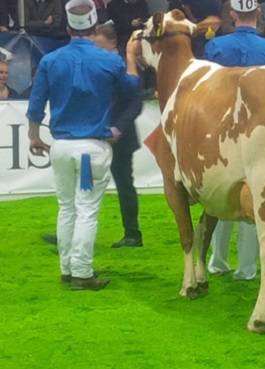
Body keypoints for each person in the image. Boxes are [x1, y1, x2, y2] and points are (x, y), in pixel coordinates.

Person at [27, 0, 140, 290]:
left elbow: (36, 104)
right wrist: (128, 57)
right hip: (92, 145)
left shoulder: (50, 61)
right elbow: (131, 89)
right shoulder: (109, 60)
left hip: (61, 145)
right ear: (93, 26)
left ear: (67, 27)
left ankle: (67, 268)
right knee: (87, 210)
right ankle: (81, 271)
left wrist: (33, 136)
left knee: (66, 208)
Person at [203, 0, 265, 280]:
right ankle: (247, 268)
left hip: (222, 131)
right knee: (254, 197)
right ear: (258, 13)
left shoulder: (215, 47)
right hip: (260, 134)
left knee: (220, 195)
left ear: (233, 14)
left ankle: (218, 260)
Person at [94, 22, 144, 249]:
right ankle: (73, 230)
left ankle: (133, 234)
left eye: (99, 45)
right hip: (95, 133)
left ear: (113, 43)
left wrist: (118, 129)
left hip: (119, 137)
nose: (95, 50)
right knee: (83, 183)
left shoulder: (125, 66)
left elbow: (135, 104)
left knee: (124, 184)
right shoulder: (99, 63)